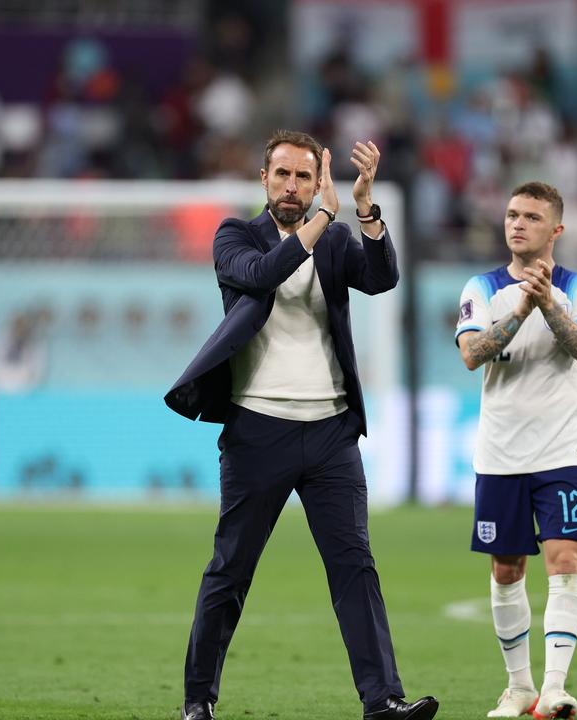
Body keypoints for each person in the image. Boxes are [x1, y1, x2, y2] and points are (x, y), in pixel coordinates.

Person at [165, 130, 438, 720]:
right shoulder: (234, 236)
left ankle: (383, 701)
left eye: (304, 177)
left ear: (318, 183)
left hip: (331, 431)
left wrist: (364, 209)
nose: (293, 187)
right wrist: (321, 223)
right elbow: (263, 275)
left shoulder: (338, 238)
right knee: (231, 569)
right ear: (264, 180)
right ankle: (197, 701)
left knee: (355, 568)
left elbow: (382, 277)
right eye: (283, 175)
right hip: (257, 430)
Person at [454, 182, 577, 720]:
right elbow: (473, 353)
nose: (518, 224)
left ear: (556, 229)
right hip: (500, 452)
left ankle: (555, 687)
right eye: (512, 214)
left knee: (564, 562)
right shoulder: (483, 286)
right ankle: (519, 687)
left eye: (532, 217)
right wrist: (523, 307)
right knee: (507, 569)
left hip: (562, 449)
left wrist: (548, 304)